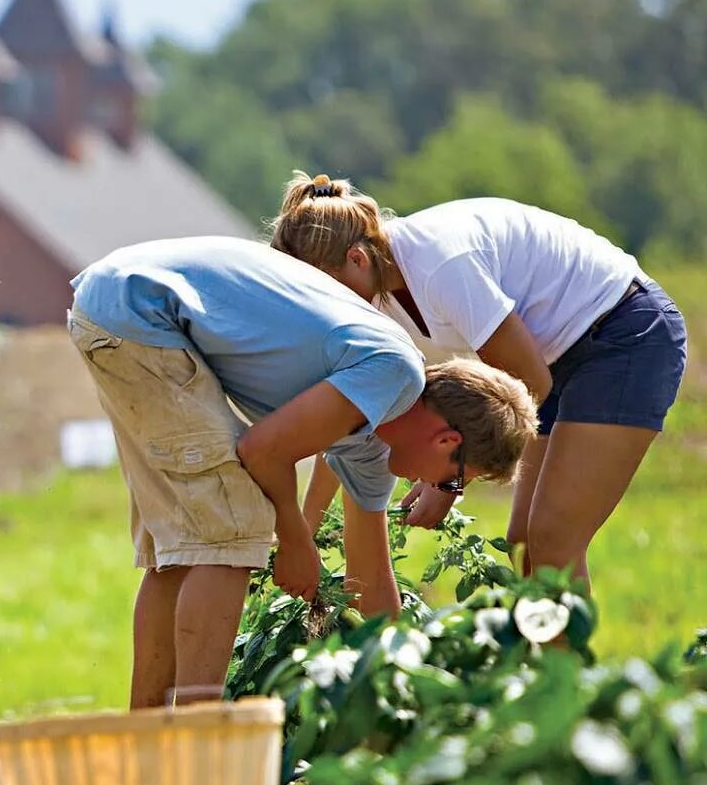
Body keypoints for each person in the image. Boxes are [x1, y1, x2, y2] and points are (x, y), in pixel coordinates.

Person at [69, 236, 538, 709]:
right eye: (455, 480)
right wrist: (295, 541)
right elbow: (262, 450)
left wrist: (399, 681)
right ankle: (200, 734)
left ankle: (146, 736)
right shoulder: (393, 373)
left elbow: (371, 578)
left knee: (184, 550)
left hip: (121, 305)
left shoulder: (373, 442)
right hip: (142, 311)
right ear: (447, 442)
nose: (439, 490)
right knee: (234, 527)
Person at [271, 174, 689, 584]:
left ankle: (561, 656)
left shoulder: (440, 267)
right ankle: (536, 653)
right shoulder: (369, 293)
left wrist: (449, 480)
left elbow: (529, 387)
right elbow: (346, 418)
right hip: (549, 359)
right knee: (524, 543)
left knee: (553, 542)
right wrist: (304, 534)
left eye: (323, 290)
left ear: (357, 260)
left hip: (621, 332)